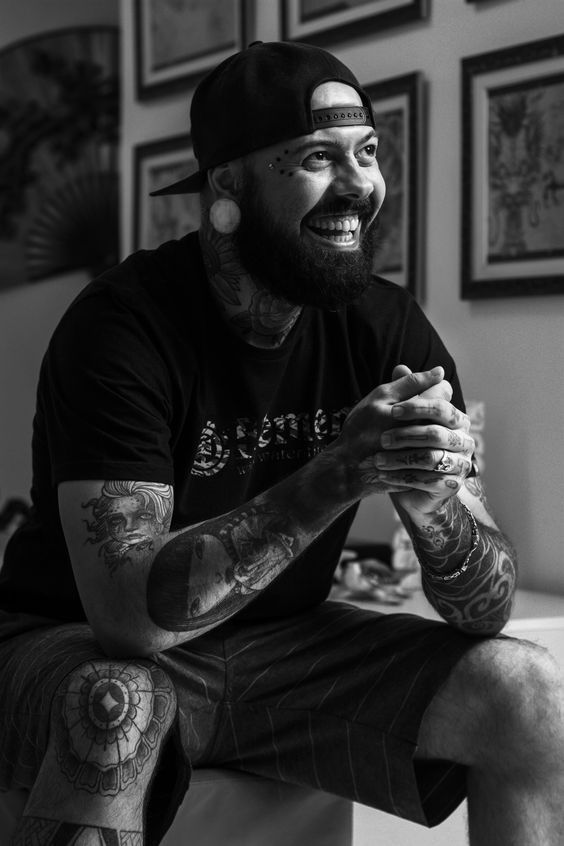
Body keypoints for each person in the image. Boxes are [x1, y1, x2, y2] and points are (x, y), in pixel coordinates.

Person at [0, 40, 562, 846]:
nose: (359, 184)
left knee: (529, 692)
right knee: (115, 706)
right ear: (226, 186)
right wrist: (338, 473)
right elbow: (127, 619)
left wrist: (431, 498)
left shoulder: (385, 324)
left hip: (281, 650)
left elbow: (488, 611)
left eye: (367, 153)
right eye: (316, 159)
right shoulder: (121, 326)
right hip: (66, 642)